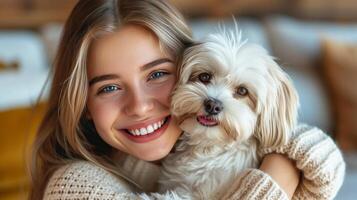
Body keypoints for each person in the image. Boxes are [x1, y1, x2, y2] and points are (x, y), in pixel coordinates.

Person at [29, 0, 345, 199]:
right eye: (109, 87)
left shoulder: (210, 142)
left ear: (182, 67)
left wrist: (290, 154)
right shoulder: (74, 186)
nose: (139, 106)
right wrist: (279, 175)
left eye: (156, 75)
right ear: (81, 103)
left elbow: (322, 160)